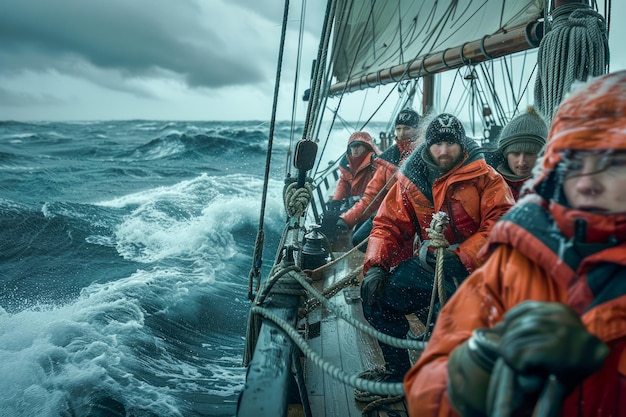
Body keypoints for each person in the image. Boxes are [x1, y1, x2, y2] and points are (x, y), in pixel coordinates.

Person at [404, 71, 626, 417]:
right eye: (576, 160)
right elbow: (427, 389)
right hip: (454, 262)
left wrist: (459, 256)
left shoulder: (490, 186)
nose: (588, 180)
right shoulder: (517, 254)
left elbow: (492, 222)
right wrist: (473, 374)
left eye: (613, 163)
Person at [356, 113, 515, 402]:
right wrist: (375, 266)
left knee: (450, 324)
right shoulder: (410, 179)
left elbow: (503, 225)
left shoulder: (486, 178)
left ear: (462, 144)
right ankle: (398, 373)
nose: (444, 151)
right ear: (428, 145)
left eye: (450, 143)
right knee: (376, 298)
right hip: (431, 266)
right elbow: (387, 225)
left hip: (479, 271)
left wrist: (463, 255)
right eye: (437, 143)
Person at [336, 109, 422, 249]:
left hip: (418, 217)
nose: (401, 133)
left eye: (407, 128)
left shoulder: (427, 155)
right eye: (398, 128)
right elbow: (371, 197)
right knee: (359, 240)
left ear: (417, 130)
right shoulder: (387, 161)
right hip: (391, 214)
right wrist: (347, 219)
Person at [319, 131, 380, 240]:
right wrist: (336, 200)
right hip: (357, 204)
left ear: (366, 147)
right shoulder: (348, 164)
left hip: (371, 206)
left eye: (358, 146)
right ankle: (327, 246)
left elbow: (374, 196)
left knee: (357, 236)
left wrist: (346, 218)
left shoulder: (376, 164)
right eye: (352, 146)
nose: (355, 149)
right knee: (329, 216)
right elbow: (343, 182)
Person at [495, 106, 548, 199]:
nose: (521, 162)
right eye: (516, 154)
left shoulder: (555, 188)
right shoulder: (488, 185)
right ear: (505, 155)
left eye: (529, 153)